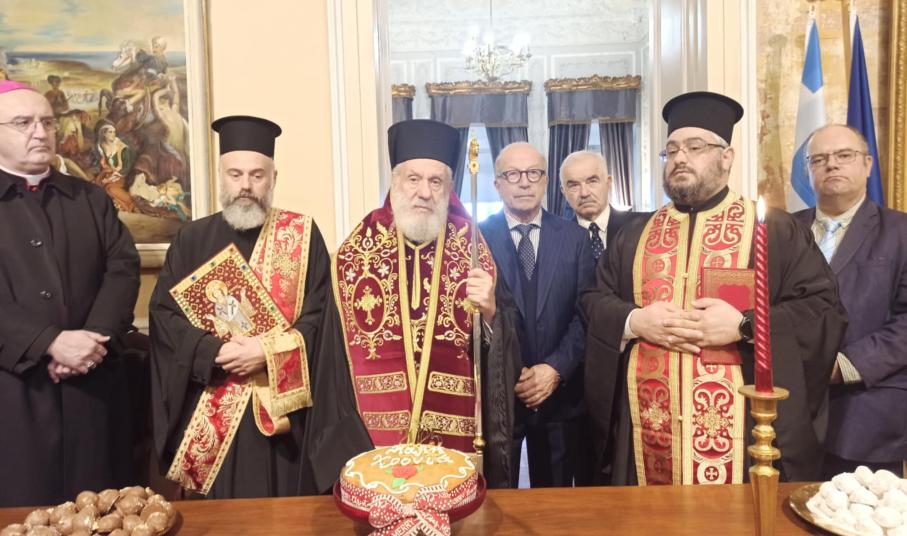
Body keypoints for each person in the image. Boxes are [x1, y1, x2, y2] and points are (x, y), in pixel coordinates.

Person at [581, 91, 847, 485]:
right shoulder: (635, 234)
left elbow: (822, 310)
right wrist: (635, 320)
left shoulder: (775, 230)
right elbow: (593, 300)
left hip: (740, 433)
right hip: (648, 428)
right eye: (672, 150)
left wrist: (745, 326)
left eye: (695, 147)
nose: (680, 158)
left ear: (727, 157)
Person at [149, 115, 370, 498]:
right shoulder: (191, 240)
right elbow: (165, 318)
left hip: (285, 425)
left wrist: (266, 352)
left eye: (257, 175)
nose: (246, 186)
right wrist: (213, 352)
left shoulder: (302, 236)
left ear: (273, 178)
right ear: (221, 176)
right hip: (212, 412)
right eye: (235, 174)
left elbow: (321, 321)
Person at [332, 119, 522, 488]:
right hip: (373, 438)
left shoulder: (473, 247)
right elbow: (333, 359)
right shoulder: (356, 250)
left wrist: (489, 313)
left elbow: (504, 341)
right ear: (395, 182)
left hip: (456, 434)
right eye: (413, 179)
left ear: (449, 188)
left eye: (436, 181)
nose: (424, 192)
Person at [0, 80, 140, 506]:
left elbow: (122, 269)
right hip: (13, 393)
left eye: (47, 122)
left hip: (91, 389)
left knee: (98, 513)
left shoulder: (91, 199)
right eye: (22, 123)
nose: (39, 132)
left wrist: (91, 341)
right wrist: (48, 342)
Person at [793, 124, 907, 478]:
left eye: (844, 155)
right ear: (808, 171)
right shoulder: (782, 231)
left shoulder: (901, 232)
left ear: (867, 164)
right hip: (789, 414)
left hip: (866, 414)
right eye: (819, 159)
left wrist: (843, 365)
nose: (832, 164)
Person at [479, 142, 593, 488]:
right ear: (497, 184)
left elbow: (585, 315)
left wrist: (554, 369)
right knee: (497, 499)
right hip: (499, 397)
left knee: (554, 503)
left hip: (558, 397)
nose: (524, 182)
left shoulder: (575, 239)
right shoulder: (476, 240)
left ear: (545, 181)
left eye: (533, 173)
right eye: (513, 174)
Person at [560, 150, 637, 261]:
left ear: (608, 183)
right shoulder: (558, 241)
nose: (584, 193)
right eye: (574, 185)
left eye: (592, 181)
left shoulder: (637, 227)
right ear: (564, 192)